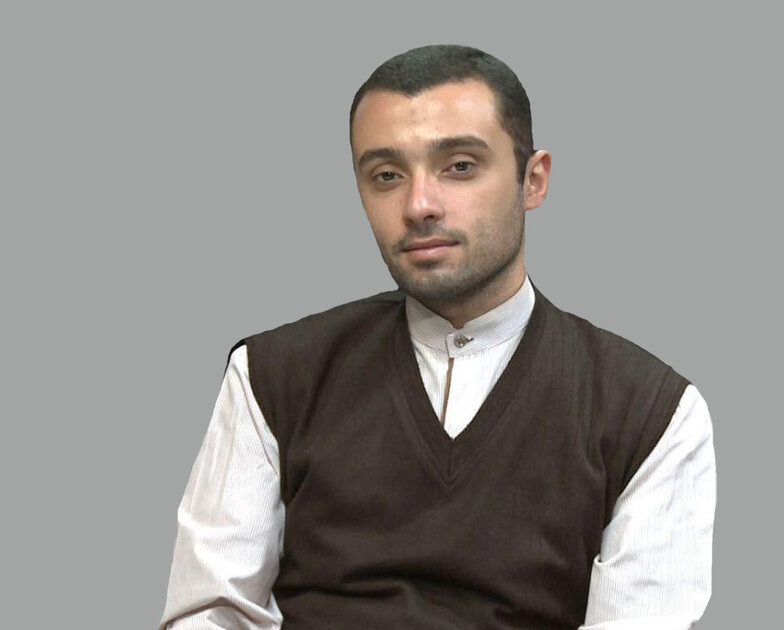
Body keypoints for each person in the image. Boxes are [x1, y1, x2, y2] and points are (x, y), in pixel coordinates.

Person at [159, 45, 716, 630]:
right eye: (387, 175)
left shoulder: (652, 413)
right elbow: (209, 615)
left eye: (460, 166)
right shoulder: (274, 376)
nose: (418, 205)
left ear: (533, 180)